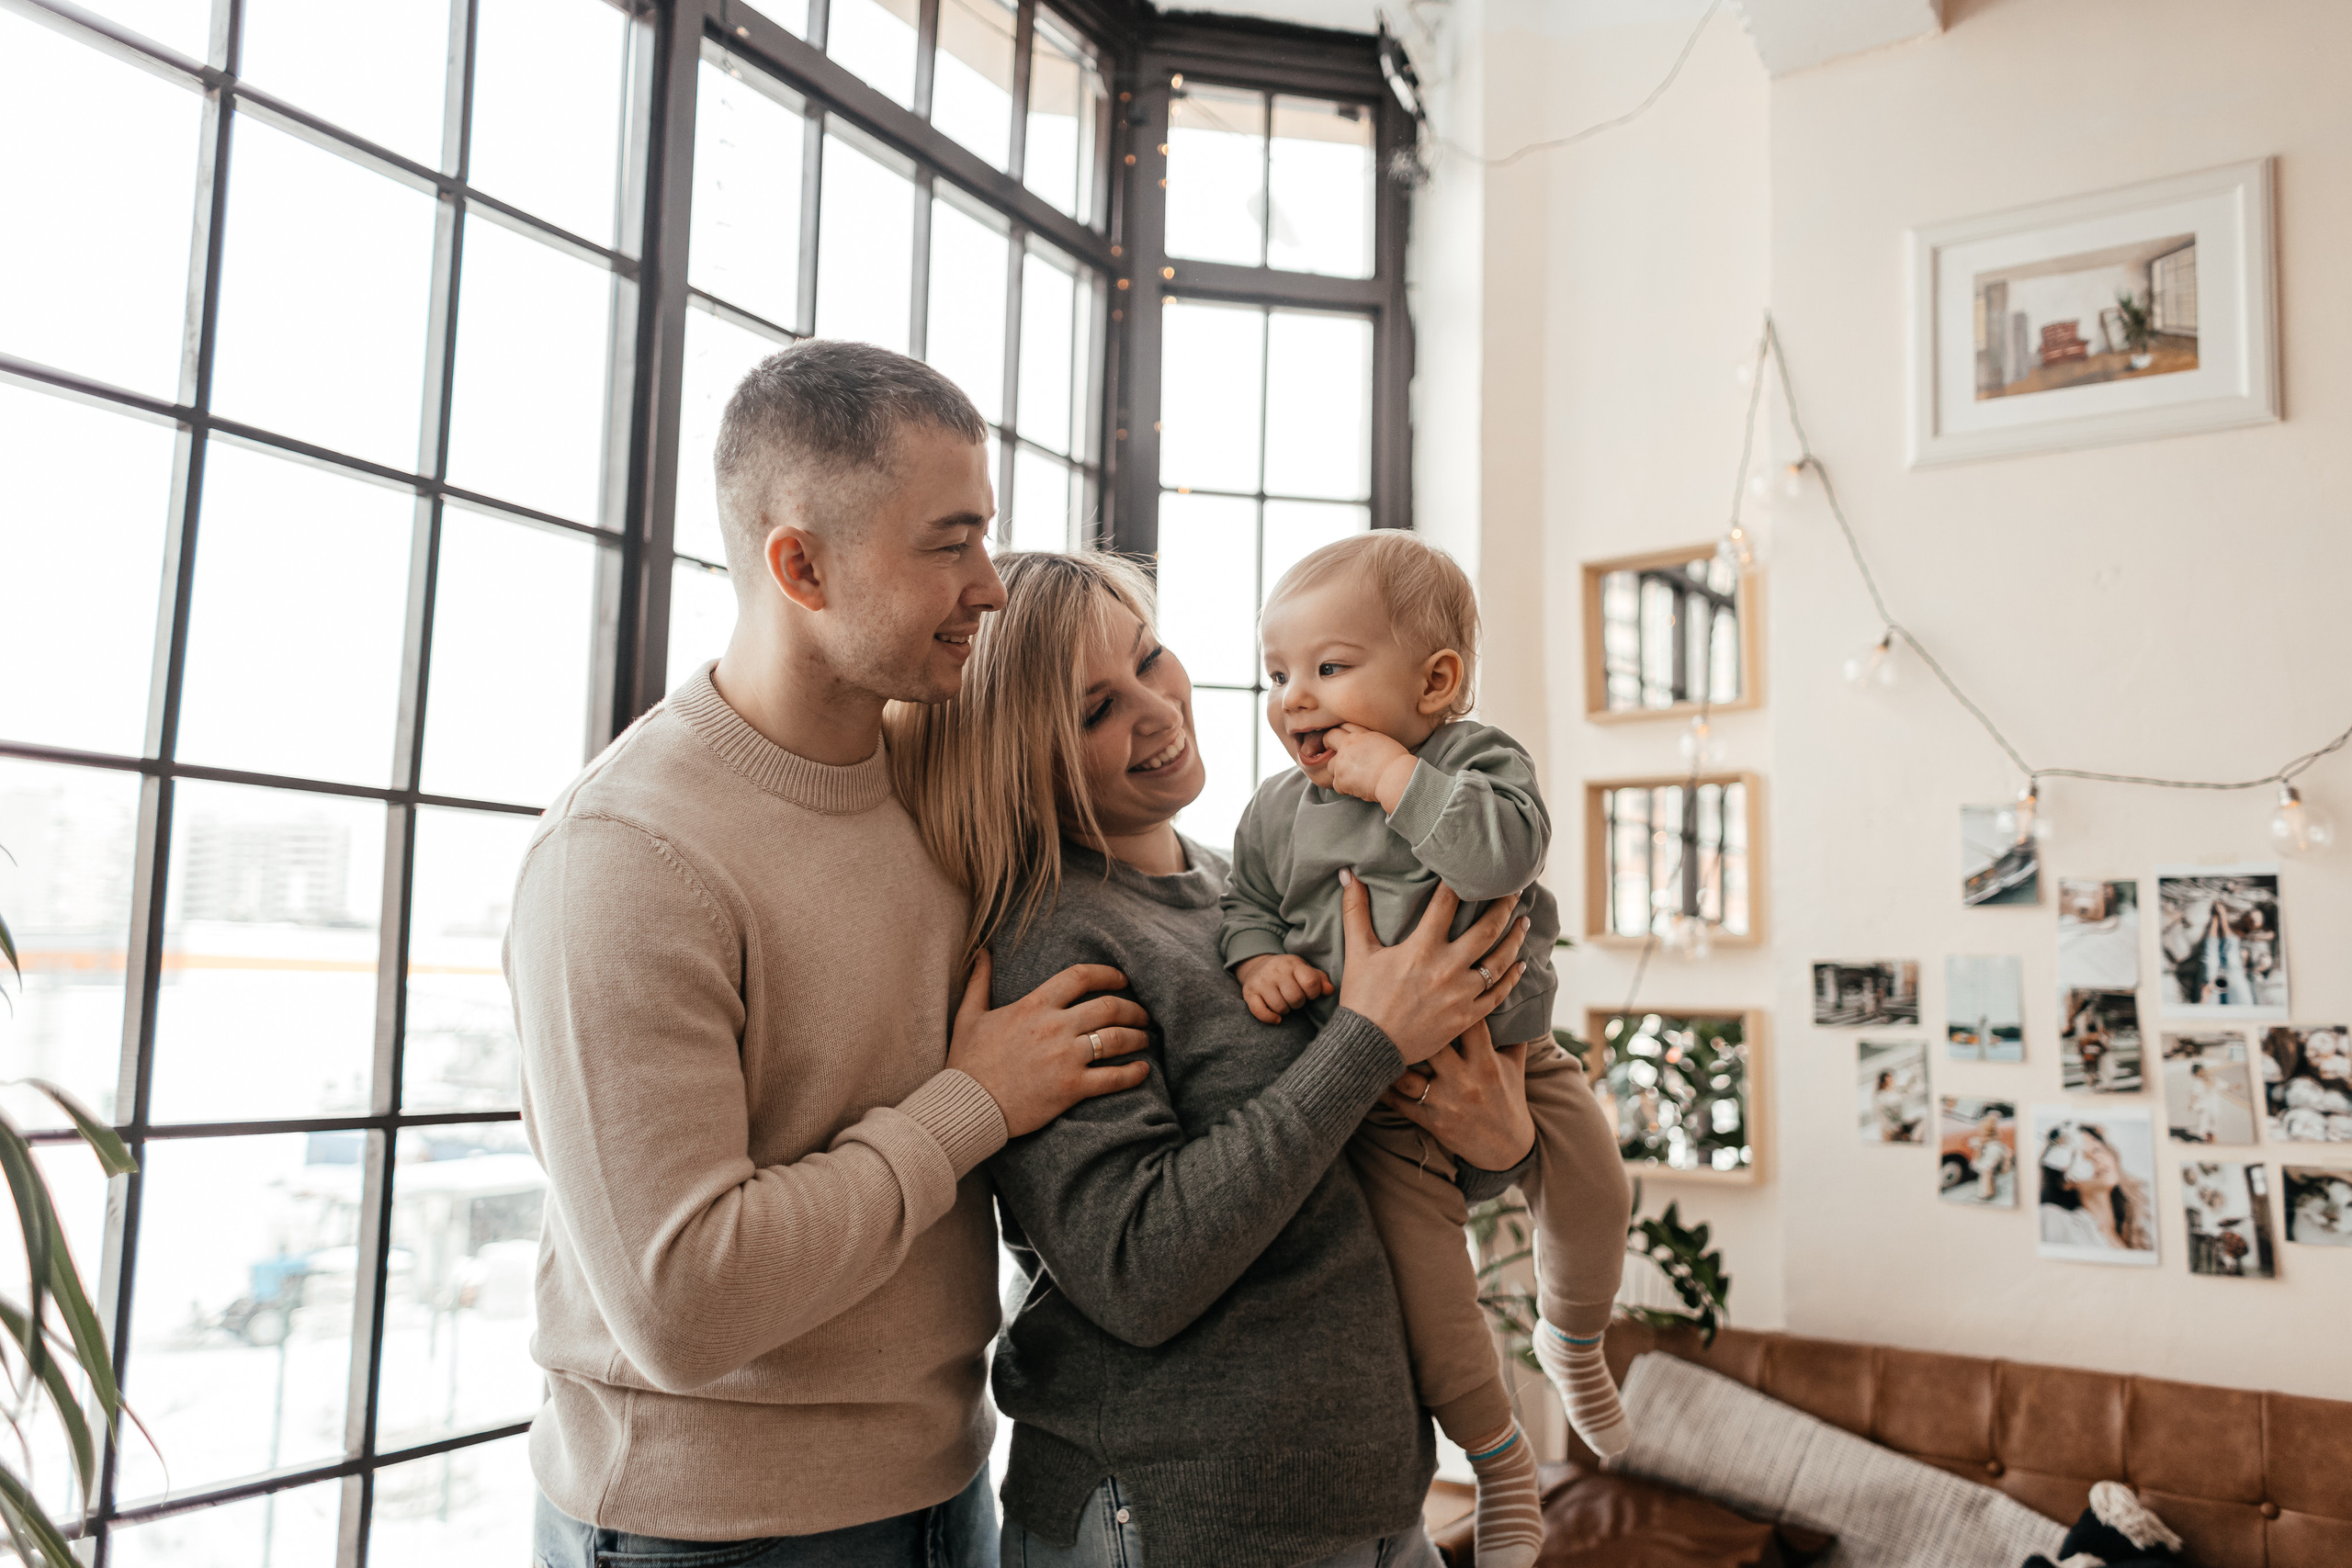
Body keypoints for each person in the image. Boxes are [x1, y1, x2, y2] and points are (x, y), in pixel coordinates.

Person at [511, 343, 1158, 1568]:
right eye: (948, 542)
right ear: (799, 564)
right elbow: (683, 1303)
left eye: (988, 537)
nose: (992, 586)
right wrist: (972, 1100)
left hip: (948, 1481)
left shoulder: (933, 779)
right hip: (710, 1531)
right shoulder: (626, 854)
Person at [888, 552, 1544, 1568]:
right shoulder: (1053, 944)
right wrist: (1366, 1041)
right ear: (1018, 755)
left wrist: (1496, 1140)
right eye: (1098, 707)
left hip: (1369, 1505)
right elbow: (1137, 1269)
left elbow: (1368, 1164)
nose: (1158, 710)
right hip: (1174, 1520)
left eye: (1151, 658)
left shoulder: (1247, 891)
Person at [1213, 532, 1632, 1553]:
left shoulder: (1470, 762)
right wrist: (1258, 960)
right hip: (1381, 1108)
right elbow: (1244, 905)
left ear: (1436, 681)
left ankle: (1574, 1337)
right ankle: (1498, 1463)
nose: (1294, 698)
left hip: (1520, 1060)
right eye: (1277, 675)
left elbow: (1501, 855)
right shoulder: (1276, 812)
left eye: (1328, 667)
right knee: (1433, 1296)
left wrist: (1398, 779)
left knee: (1595, 1187)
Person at [2037, 1122, 2154, 1253]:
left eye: (2097, 1150)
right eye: (2078, 1157)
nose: (2096, 1159)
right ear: (2065, 1182)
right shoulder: (2053, 1219)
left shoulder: (2141, 1227)